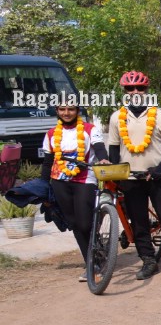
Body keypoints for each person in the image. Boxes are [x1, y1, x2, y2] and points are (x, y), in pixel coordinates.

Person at [106, 71, 161, 279]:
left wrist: (160, 169)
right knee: (138, 221)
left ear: (147, 90)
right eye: (130, 89)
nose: (135, 92)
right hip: (131, 179)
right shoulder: (116, 117)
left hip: (159, 177)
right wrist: (117, 173)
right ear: (124, 92)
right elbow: (114, 149)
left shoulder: (160, 115)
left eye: (140, 88)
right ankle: (148, 260)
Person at [40, 101, 108, 280]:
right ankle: (91, 263)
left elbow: (100, 148)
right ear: (57, 111)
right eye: (62, 109)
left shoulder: (89, 129)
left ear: (77, 110)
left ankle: (96, 250)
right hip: (59, 182)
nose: (67, 113)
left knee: (85, 223)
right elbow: (48, 162)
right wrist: (42, 186)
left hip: (85, 179)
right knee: (74, 223)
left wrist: (103, 160)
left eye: (71, 109)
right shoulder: (51, 134)